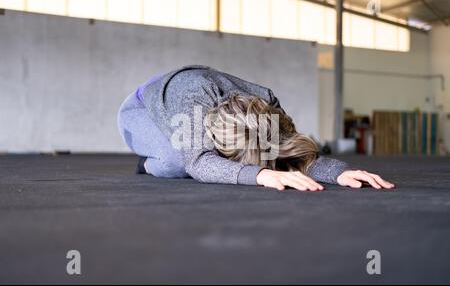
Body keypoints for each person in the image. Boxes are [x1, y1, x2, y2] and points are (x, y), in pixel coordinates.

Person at [117, 65, 394, 191]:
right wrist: (260, 174)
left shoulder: (267, 103)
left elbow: (289, 153)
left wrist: (339, 173)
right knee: (180, 159)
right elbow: (199, 163)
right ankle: (147, 164)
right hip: (141, 110)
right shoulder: (193, 103)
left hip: (188, 95)